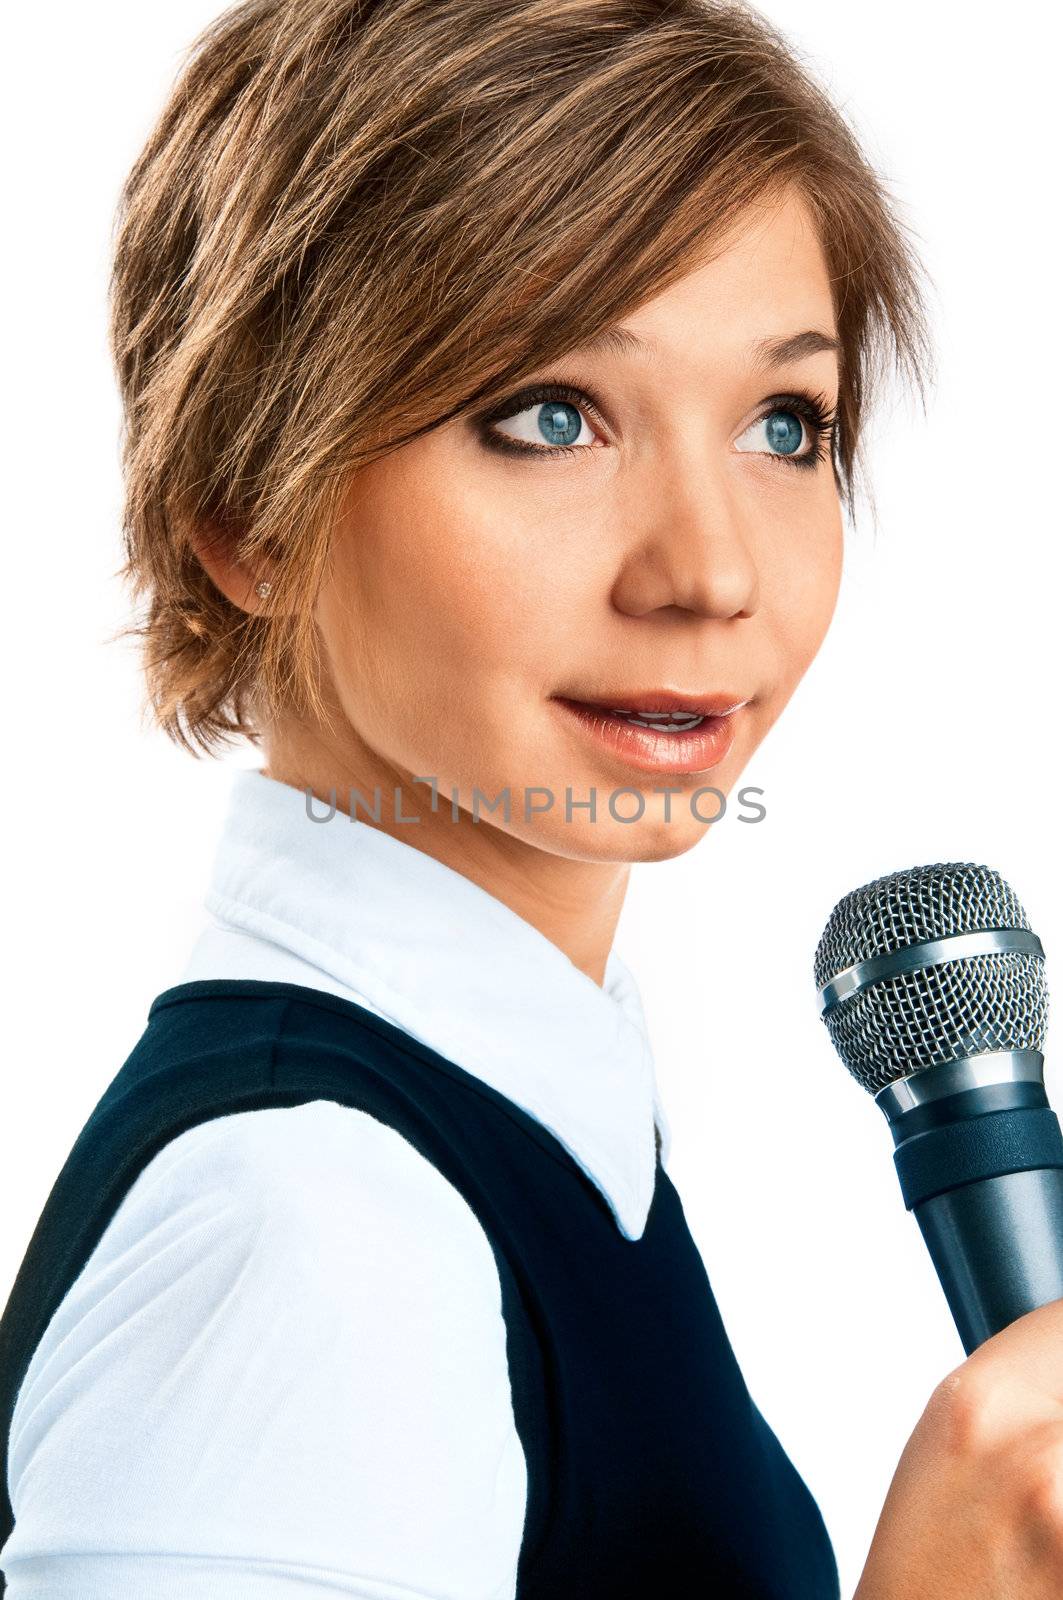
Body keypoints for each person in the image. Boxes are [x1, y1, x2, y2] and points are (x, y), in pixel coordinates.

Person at [3, 1, 1062, 1596]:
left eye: (787, 425)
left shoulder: (521, 1116)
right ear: (245, 507)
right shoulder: (313, 1223)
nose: (710, 571)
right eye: (551, 417)